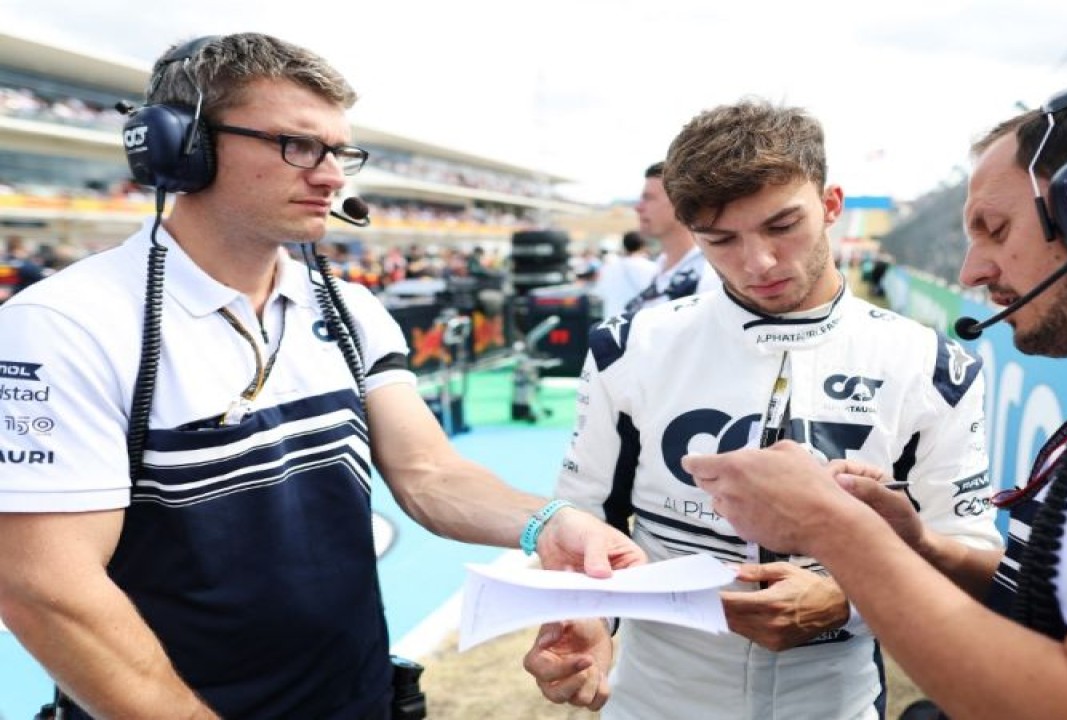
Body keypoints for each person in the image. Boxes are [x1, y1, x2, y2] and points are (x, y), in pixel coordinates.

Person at [0, 33, 643, 719]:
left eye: (340, 151)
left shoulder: (351, 307)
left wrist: (548, 524)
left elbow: (428, 472)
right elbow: (44, 586)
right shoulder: (65, 324)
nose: (334, 176)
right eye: (298, 145)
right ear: (183, 147)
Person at [685, 70, 1067, 718]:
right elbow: (1044, 605)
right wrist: (916, 546)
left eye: (994, 229)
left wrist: (833, 529)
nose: (972, 271)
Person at [523, 99, 1002, 719]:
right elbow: (586, 515)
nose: (759, 263)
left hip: (836, 700)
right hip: (655, 698)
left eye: (782, 226)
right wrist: (583, 618)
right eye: (721, 240)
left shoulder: (929, 365)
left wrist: (847, 599)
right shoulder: (630, 347)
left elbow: (970, 559)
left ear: (831, 206)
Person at [622, 161, 721, 312]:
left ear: (681, 203)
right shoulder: (661, 267)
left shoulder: (710, 274)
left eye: (648, 198)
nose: (638, 207)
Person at [591, 230, 657, 318]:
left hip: (613, 322)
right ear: (643, 246)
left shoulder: (608, 267)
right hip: (640, 322)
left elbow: (598, 293)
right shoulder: (652, 268)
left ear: (624, 245)